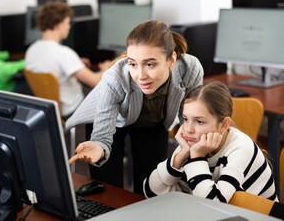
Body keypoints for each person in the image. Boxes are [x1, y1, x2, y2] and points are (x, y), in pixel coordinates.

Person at [67, 20, 204, 195]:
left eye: (150, 64)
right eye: (132, 63)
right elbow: (102, 133)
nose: (140, 76)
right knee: (109, 190)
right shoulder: (115, 77)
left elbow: (190, 116)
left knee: (152, 187)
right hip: (112, 120)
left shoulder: (190, 69)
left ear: (171, 61)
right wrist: (99, 146)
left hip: (153, 122)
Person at [143, 81, 278, 202]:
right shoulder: (192, 143)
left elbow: (214, 203)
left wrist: (197, 157)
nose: (188, 129)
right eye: (185, 119)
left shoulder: (240, 149)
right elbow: (151, 192)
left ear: (224, 125)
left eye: (199, 121)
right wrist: (180, 157)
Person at [25, 1, 111, 118]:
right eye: (67, 22)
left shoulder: (31, 50)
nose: (69, 26)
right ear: (57, 24)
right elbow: (96, 81)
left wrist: (76, 64)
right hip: (71, 107)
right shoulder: (63, 53)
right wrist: (106, 68)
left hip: (48, 107)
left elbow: (51, 66)